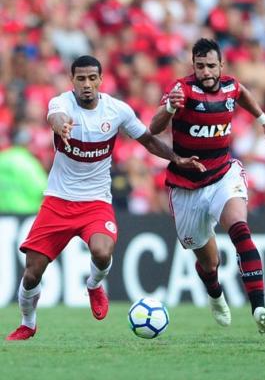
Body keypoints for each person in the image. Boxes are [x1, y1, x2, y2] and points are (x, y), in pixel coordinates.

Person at [6, 55, 205, 341]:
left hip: (96, 201)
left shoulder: (117, 111)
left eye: (91, 78)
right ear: (72, 81)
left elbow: (147, 139)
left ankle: (94, 284)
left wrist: (176, 158)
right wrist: (61, 126)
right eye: (80, 79)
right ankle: (28, 322)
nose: (86, 84)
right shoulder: (61, 104)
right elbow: (55, 117)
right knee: (32, 274)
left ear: (100, 80)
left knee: (102, 251)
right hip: (58, 201)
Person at [150, 38, 265, 334]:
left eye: (211, 65)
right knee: (210, 264)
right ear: (193, 66)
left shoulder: (231, 86)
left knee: (239, 227)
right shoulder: (181, 91)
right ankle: (215, 294)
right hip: (186, 187)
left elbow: (243, 94)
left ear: (221, 65)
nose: (206, 72)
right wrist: (169, 108)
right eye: (200, 66)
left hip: (223, 174)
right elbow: (153, 129)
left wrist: (264, 121)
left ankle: (258, 306)